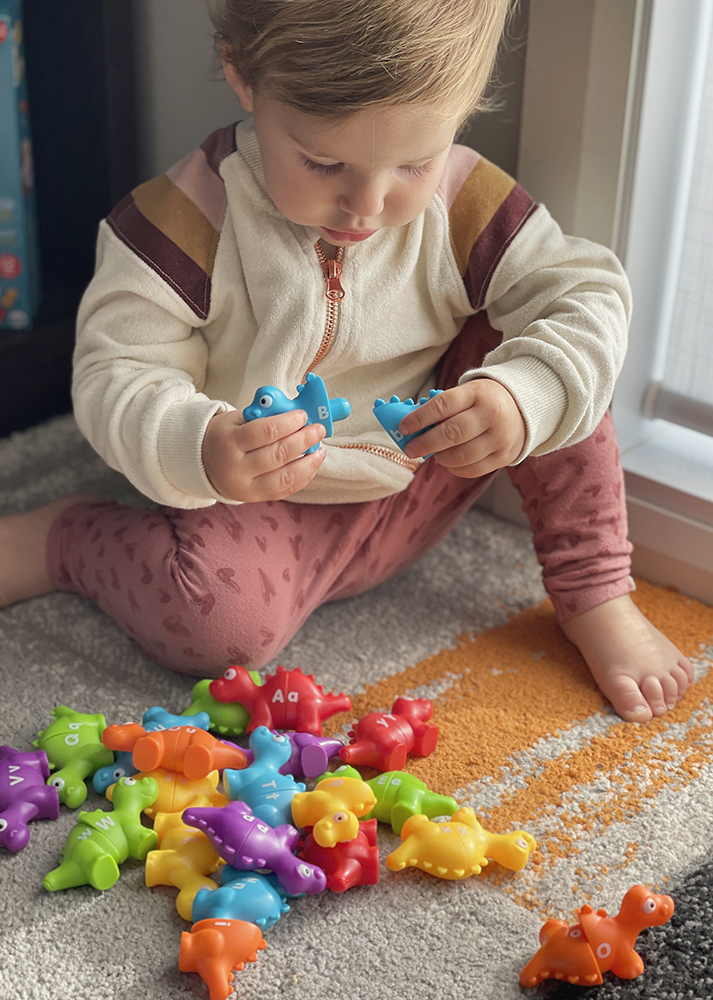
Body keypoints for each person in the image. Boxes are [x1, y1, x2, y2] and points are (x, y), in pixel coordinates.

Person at [0, 0, 693, 723]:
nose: (366, 205)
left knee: (561, 356)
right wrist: (200, 445)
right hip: (265, 501)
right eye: (324, 163)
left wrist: (522, 399)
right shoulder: (181, 223)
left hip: (430, 463)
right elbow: (116, 373)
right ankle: (62, 541)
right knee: (215, 629)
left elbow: (585, 291)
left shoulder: (461, 203)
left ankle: (594, 589)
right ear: (243, 74)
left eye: (414, 164)